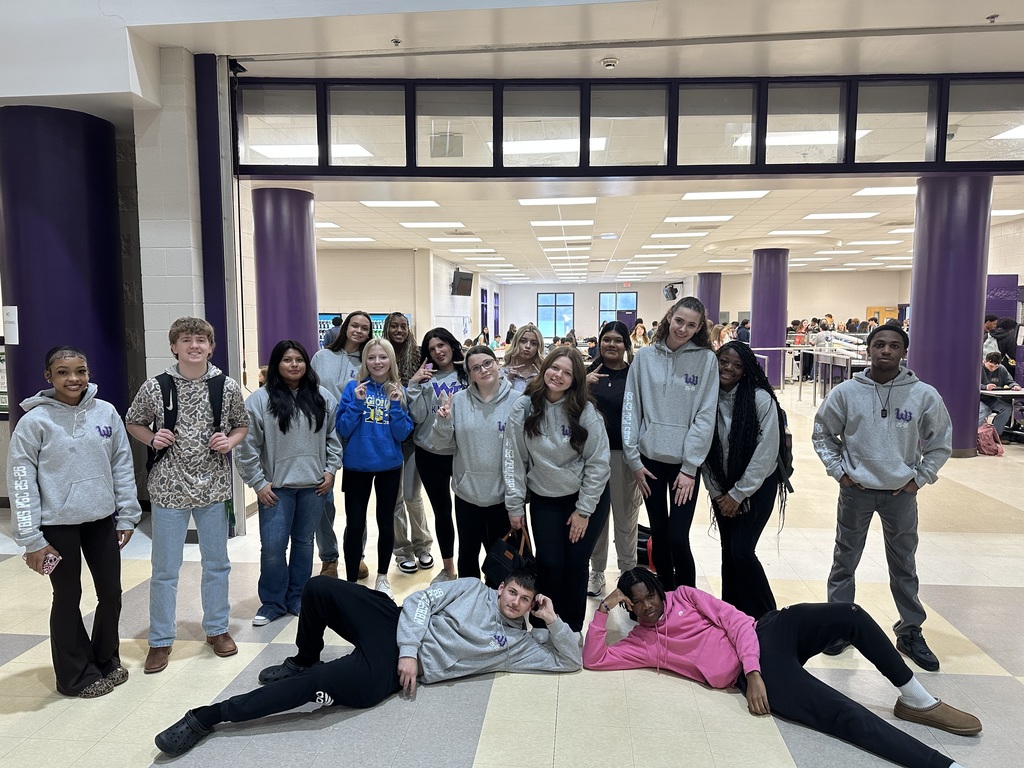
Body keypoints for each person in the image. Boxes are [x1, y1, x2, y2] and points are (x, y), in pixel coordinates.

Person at [154, 569, 581, 756]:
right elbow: (419, 600)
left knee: (322, 683)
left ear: (531, 605)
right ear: (501, 587)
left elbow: (570, 661)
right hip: (395, 626)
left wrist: (553, 620)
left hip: (391, 669)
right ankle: (303, 657)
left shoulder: (520, 643)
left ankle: (206, 717)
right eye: (512, 593)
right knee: (319, 588)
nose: (516, 603)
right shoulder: (470, 588)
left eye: (525, 600)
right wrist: (411, 648)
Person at [584, 569, 981, 768]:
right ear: (629, 606)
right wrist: (603, 608)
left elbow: (738, 620)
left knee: (851, 615)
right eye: (638, 602)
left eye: (651, 595)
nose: (650, 606)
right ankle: (940, 764)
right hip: (759, 671)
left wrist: (753, 672)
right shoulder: (642, 643)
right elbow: (594, 659)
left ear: (658, 589)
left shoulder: (684, 595)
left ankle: (917, 699)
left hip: (768, 631)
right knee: (840, 712)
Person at [812, 324, 951, 671]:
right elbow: (822, 434)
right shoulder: (846, 392)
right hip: (856, 491)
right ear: (868, 350)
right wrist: (840, 472)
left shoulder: (924, 395)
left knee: (904, 563)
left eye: (893, 346)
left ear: (903, 352)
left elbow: (939, 443)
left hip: (900, 494)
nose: (885, 351)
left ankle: (910, 630)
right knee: (845, 559)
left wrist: (918, 480)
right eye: (879, 345)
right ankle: (839, 624)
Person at [8, 346, 141, 698]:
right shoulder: (34, 422)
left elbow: (122, 465)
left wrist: (127, 513)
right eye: (64, 372)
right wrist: (32, 540)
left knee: (111, 594)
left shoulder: (106, 413)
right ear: (48, 376)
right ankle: (74, 675)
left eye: (80, 371)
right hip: (56, 526)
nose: (74, 379)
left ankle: (105, 659)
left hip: (100, 521)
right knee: (68, 597)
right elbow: (21, 481)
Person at [126, 317, 249, 674]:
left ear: (211, 347)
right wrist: (151, 438)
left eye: (200, 340)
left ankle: (217, 629)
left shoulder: (225, 387)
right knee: (165, 568)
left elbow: (241, 424)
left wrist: (230, 441)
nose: (194, 345)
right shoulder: (156, 386)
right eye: (186, 340)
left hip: (213, 486)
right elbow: (133, 420)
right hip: (168, 488)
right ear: (174, 347)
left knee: (217, 564)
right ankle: (160, 640)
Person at [235, 340, 343, 626]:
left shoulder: (322, 398)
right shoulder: (259, 400)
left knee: (304, 543)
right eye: (287, 359)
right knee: (272, 548)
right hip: (276, 490)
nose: (294, 364)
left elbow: (334, 437)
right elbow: (246, 447)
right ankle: (272, 602)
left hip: (314, 487)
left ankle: (297, 597)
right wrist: (258, 483)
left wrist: (331, 470)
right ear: (275, 365)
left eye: (299, 359)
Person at [503, 347, 611, 633]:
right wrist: (515, 505)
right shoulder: (524, 406)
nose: (558, 376)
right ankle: (543, 626)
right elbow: (514, 458)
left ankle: (571, 628)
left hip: (585, 498)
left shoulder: (584, 411)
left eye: (567, 373)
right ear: (545, 368)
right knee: (549, 564)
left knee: (576, 565)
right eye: (554, 368)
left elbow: (599, 463)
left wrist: (584, 510)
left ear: (576, 379)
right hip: (545, 497)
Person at [622, 296, 718, 591]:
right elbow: (631, 408)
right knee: (659, 533)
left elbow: (705, 415)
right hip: (649, 463)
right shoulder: (645, 358)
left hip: (683, 468)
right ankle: (663, 593)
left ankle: (687, 597)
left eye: (691, 325)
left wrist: (691, 468)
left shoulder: (705, 360)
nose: (683, 329)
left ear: (700, 327)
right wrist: (634, 460)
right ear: (669, 317)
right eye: (679, 321)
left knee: (678, 536)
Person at [703, 341, 787, 620]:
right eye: (723, 361)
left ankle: (770, 617)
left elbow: (767, 452)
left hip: (758, 487)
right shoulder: (706, 397)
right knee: (729, 551)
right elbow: (701, 447)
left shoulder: (759, 399)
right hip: (721, 486)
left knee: (741, 552)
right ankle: (734, 615)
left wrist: (738, 494)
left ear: (746, 370)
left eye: (737, 365)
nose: (729, 368)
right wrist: (718, 493)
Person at [431, 345, 521, 582]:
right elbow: (441, 445)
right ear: (469, 374)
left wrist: (518, 498)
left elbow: (523, 453)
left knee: (501, 560)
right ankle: (468, 607)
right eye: (476, 368)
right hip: (467, 494)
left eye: (488, 363)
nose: (483, 370)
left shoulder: (518, 402)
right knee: (468, 555)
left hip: (501, 496)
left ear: (497, 364)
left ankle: (498, 612)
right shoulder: (458, 401)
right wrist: (443, 421)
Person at [336, 338, 414, 597]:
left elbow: (402, 434)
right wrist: (357, 403)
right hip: (357, 466)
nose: (377, 362)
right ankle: (350, 580)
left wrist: (395, 406)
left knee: (386, 521)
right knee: (355, 524)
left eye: (382, 357)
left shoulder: (397, 390)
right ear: (365, 360)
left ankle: (382, 576)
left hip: (389, 466)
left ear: (390, 360)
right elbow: (343, 429)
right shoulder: (352, 388)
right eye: (372, 357)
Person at [311, 311, 372, 580]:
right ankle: (329, 558)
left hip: (357, 434)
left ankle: (355, 554)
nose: (358, 331)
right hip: (321, 435)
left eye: (364, 328)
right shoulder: (321, 356)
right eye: (354, 325)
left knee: (357, 503)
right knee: (323, 498)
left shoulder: (368, 361)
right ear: (346, 327)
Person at [583, 322, 641, 597]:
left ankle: (628, 573)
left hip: (623, 457)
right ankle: (596, 572)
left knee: (625, 517)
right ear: (599, 342)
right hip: (591, 457)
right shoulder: (587, 374)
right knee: (596, 518)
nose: (611, 345)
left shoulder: (634, 376)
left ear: (626, 345)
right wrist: (582, 386)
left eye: (618, 340)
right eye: (606, 340)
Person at [408, 327, 468, 581]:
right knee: (442, 512)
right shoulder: (426, 378)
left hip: (462, 453)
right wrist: (414, 385)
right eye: (432, 349)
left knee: (467, 513)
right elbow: (419, 417)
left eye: (441, 345)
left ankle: (470, 566)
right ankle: (449, 568)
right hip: (430, 453)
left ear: (451, 345)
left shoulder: (468, 374)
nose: (438, 351)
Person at [382, 312, 433, 576]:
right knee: (395, 500)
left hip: (414, 438)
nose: (399, 330)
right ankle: (402, 551)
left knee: (412, 496)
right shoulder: (380, 354)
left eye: (403, 326)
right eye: (394, 325)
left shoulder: (419, 354)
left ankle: (423, 545)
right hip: (387, 439)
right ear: (386, 328)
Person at [980, 350, 1021, 436]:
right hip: (978, 399)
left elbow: (1010, 381)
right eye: (991, 366)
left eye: (996, 366)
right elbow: (969, 384)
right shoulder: (978, 368)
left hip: (991, 399)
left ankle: (994, 435)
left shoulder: (1001, 369)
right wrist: (984, 387)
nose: (993, 369)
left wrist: (1014, 385)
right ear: (985, 361)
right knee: (985, 410)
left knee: (1007, 408)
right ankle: (974, 435)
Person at [502, 322, 545, 393]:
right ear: (516, 343)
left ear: (538, 347)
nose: (528, 346)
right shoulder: (503, 372)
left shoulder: (543, 373)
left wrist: (543, 384)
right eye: (523, 341)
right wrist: (509, 380)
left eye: (533, 343)